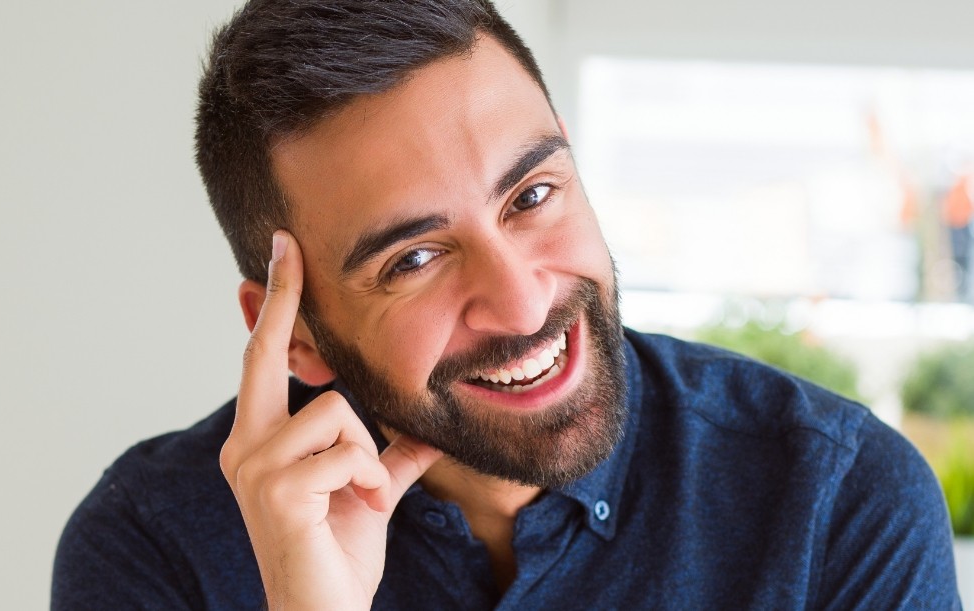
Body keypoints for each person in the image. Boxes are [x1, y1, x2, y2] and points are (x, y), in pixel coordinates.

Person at [52, 0, 961, 608]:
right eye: (412, 258)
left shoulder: (837, 499)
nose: (522, 299)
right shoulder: (155, 543)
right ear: (295, 334)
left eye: (530, 196)